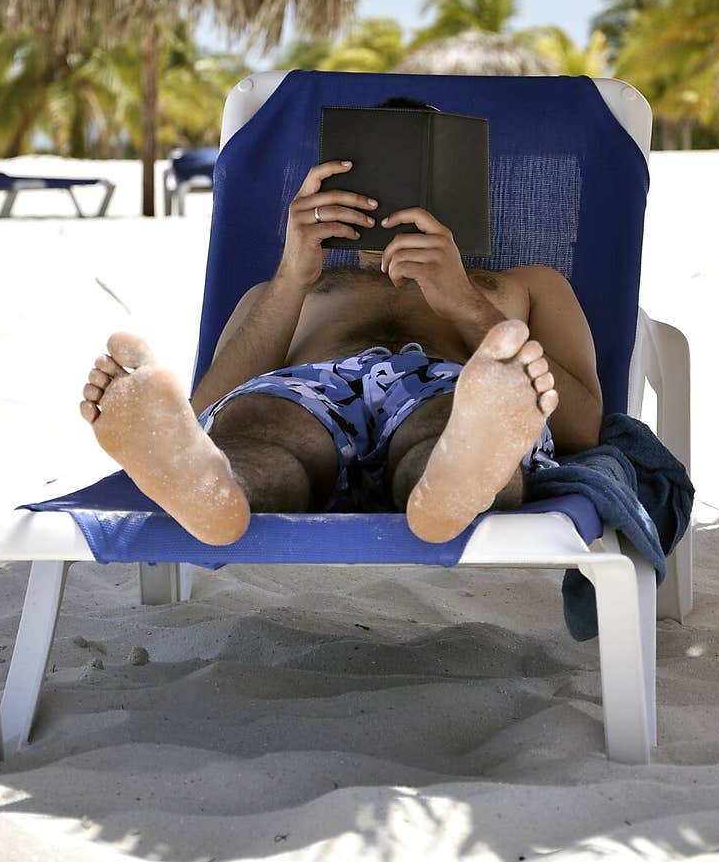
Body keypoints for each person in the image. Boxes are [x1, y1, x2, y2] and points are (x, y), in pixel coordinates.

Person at [79, 97, 603, 546]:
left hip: (454, 388)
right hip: (307, 392)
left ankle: (450, 484)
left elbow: (583, 427)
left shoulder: (524, 284)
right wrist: (291, 276)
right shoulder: (285, 289)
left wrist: (465, 301)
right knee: (261, 427)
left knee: (450, 424)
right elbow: (203, 413)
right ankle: (219, 493)